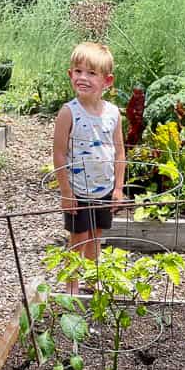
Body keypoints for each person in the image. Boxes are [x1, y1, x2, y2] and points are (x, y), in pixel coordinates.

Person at [52, 42, 125, 293]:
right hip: (79, 192)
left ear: (107, 81)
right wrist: (66, 193)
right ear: (70, 74)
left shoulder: (113, 113)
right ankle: (71, 289)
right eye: (78, 71)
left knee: (95, 236)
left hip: (103, 189)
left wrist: (118, 188)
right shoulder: (69, 113)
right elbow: (59, 154)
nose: (83, 77)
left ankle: (94, 282)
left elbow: (119, 151)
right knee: (78, 239)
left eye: (91, 73)